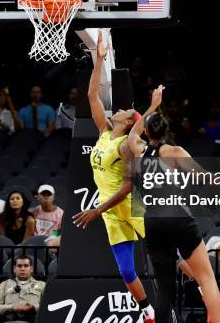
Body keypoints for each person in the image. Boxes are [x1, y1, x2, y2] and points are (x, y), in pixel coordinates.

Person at [74, 81, 220, 323]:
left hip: (152, 221)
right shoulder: (175, 152)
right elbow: (205, 176)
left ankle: (159, 313)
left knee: (165, 289)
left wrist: (152, 106)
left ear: (146, 133)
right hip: (176, 216)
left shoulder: (138, 148)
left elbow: (134, 133)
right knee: (207, 278)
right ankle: (211, 302)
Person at [72, 31, 155, 323]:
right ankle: (147, 310)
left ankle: (200, 278)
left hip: (129, 206)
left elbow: (129, 185)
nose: (119, 108)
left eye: (125, 110)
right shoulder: (104, 132)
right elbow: (91, 95)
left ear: (129, 121)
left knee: (171, 251)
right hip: (110, 211)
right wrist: (100, 60)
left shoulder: (124, 146)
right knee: (126, 271)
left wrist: (96, 210)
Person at [0, 255, 46, 323]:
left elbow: (47, 307)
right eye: (19, 266)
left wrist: (33, 307)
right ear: (14, 269)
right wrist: (12, 307)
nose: (22, 269)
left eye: (26, 266)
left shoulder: (42, 285)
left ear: (31, 269)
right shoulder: (4, 284)